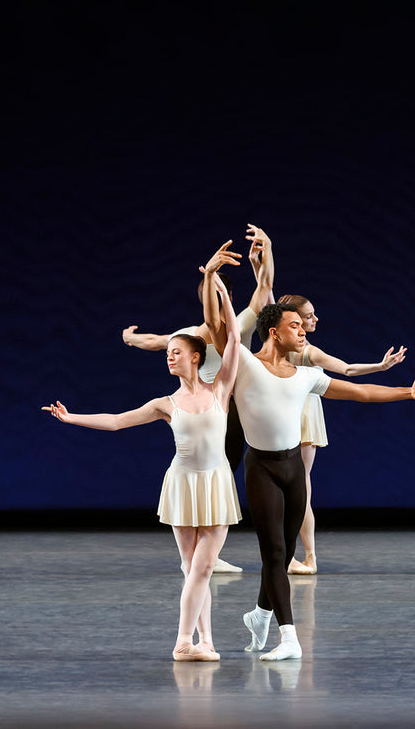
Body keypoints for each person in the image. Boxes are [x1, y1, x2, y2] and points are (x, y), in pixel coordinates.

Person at [202, 255, 415, 661]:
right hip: (260, 469)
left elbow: (361, 393)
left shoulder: (307, 376)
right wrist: (211, 278)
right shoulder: (243, 364)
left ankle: (259, 615)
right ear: (274, 332)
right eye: (295, 325)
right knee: (275, 554)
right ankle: (289, 639)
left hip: (293, 469)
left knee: (281, 550)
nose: (303, 331)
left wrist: (406, 392)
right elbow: (218, 326)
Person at [43, 270, 243, 662]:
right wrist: (72, 418)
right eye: (168, 352)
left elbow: (234, 338)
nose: (170, 355)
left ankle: (199, 641)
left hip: (215, 482)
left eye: (177, 351)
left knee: (201, 570)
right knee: (193, 570)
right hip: (183, 483)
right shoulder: (165, 404)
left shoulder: (221, 388)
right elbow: (117, 420)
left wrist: (219, 290)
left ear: (196, 356)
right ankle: (190, 642)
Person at [121, 224, 276, 574]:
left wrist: (268, 252)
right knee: (212, 472)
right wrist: (131, 338)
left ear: (228, 298)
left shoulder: (240, 322)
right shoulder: (192, 335)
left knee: (235, 472)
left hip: (238, 406)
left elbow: (265, 288)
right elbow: (156, 341)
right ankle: (200, 554)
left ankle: (223, 549)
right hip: (214, 409)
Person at [275, 293, 408, 575]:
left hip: (290, 414)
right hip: (299, 415)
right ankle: (302, 555)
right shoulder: (305, 351)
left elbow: (347, 369)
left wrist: (381, 367)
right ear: (293, 320)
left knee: (295, 489)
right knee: (298, 490)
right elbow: (346, 369)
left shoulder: (285, 347)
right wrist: (381, 367)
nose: (315, 319)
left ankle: (304, 555)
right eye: (308, 316)